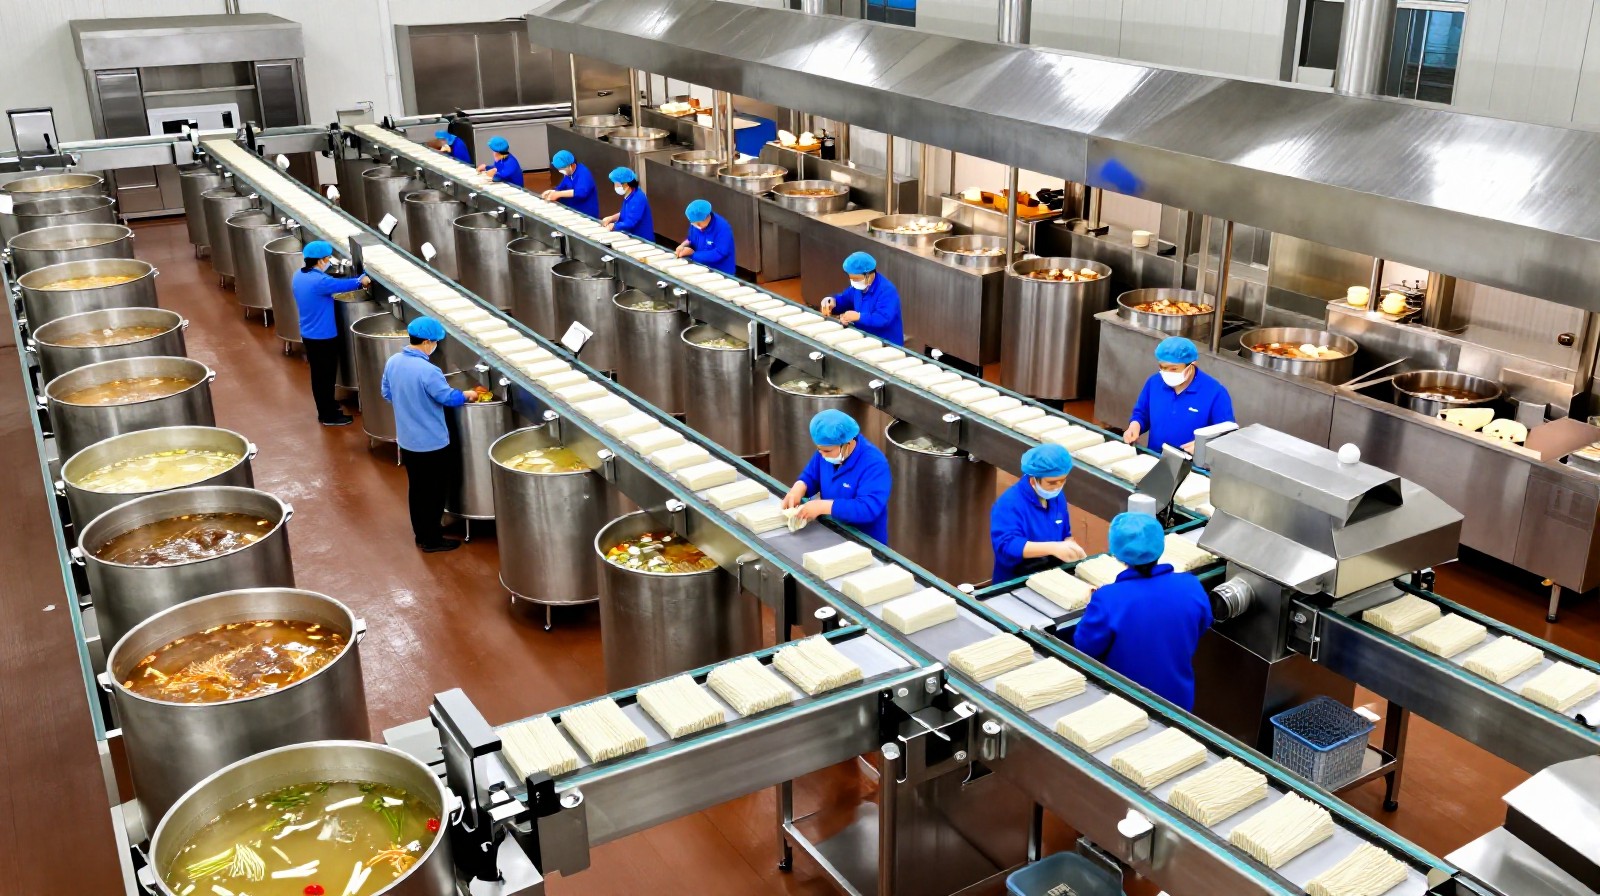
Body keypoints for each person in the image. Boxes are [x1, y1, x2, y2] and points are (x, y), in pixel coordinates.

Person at [1072, 513, 1213, 710]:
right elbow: (1202, 624)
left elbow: (1084, 647)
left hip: (1124, 704)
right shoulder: (1191, 586)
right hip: (1177, 701)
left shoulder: (1108, 599)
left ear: (1118, 552)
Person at [380, 317, 488, 553]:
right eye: (436, 342)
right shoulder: (429, 371)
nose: (436, 345)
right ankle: (432, 539)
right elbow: (447, 398)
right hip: (431, 443)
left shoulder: (394, 362)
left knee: (417, 489)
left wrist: (409, 404)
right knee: (434, 492)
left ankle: (422, 533)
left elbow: (386, 393)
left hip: (408, 440)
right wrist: (468, 394)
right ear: (428, 342)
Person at [781, 409, 892, 544]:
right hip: (832, 532)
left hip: (864, 541)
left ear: (847, 443)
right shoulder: (826, 453)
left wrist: (823, 507)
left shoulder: (874, 464)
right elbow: (811, 475)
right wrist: (799, 487)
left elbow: (867, 509)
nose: (822, 455)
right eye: (819, 450)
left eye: (827, 451)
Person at [291, 240, 368, 426]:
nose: (328, 262)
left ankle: (329, 406)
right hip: (323, 337)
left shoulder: (299, 275)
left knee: (319, 375)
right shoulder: (319, 281)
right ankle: (328, 415)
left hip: (309, 334)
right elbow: (341, 286)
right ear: (320, 261)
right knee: (325, 377)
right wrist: (361, 280)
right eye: (327, 259)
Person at [989, 444, 1086, 583]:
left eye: (1062, 480)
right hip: (1016, 579)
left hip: (1051, 575)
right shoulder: (1009, 504)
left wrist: (1070, 546)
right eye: (1052, 483)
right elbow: (1007, 546)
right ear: (1033, 479)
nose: (1058, 487)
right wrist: (1053, 548)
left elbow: (1065, 532)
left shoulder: (1057, 497)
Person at [1123, 336, 1235, 454]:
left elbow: (1226, 435)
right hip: (1155, 458)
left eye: (1174, 369)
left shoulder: (1215, 393)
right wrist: (1135, 426)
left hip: (1192, 467)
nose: (1167, 373)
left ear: (1192, 365)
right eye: (1163, 367)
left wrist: (1203, 445)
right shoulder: (1154, 383)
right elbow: (1142, 414)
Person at [821, 251, 904, 345]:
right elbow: (844, 300)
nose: (853, 282)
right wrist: (832, 302)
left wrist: (858, 316)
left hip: (886, 344)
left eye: (856, 279)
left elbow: (883, 319)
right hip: (864, 339)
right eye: (851, 279)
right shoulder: (858, 288)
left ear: (868, 275)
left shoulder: (886, 291)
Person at [676, 199, 736, 274]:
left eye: (699, 223)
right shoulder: (695, 224)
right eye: (694, 223)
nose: (697, 225)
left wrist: (693, 254)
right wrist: (683, 245)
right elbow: (691, 239)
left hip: (721, 271)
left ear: (706, 217)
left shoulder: (722, 228)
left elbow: (720, 253)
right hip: (701, 267)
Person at [541, 149, 599, 218]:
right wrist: (553, 191)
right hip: (573, 210)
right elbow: (562, 186)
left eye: (562, 168)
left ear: (571, 165)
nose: (560, 171)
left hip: (586, 213)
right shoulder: (569, 174)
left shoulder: (583, 173)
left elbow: (581, 192)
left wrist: (558, 194)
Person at [602, 167, 654, 240]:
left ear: (626, 184)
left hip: (642, 239)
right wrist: (611, 218)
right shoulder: (629, 195)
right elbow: (625, 213)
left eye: (617, 184)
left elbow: (630, 222)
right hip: (632, 236)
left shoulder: (638, 198)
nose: (615, 187)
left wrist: (614, 226)